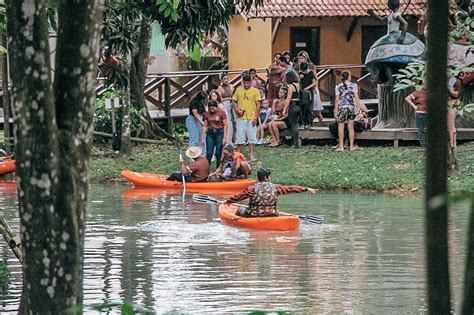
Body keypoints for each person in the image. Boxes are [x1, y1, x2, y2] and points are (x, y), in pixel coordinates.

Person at [224, 168, 317, 217]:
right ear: (266, 178)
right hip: (272, 213)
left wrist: (228, 201)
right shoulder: (275, 187)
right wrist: (306, 188)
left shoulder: (251, 189)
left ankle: (237, 222)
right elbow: (290, 188)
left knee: (240, 209)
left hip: (255, 214)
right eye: (269, 177)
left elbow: (239, 197)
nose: (270, 179)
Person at [232, 74, 261, 161]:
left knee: (251, 136)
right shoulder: (238, 90)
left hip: (251, 116)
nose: (246, 85)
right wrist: (237, 109)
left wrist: (255, 117)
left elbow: (258, 104)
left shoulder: (255, 91)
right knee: (240, 136)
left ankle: (252, 155)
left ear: (251, 83)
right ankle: (238, 154)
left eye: (248, 83)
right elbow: (233, 100)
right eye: (245, 83)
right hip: (241, 117)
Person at [334, 70, 361, 152]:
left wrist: (336, 111)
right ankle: (351, 146)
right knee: (350, 127)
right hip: (351, 108)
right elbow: (356, 97)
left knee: (341, 127)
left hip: (342, 108)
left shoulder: (338, 87)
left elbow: (336, 100)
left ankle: (341, 146)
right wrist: (358, 107)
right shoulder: (354, 85)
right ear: (348, 77)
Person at [202, 100, 228, 168]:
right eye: (210, 109)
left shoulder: (222, 112)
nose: (212, 110)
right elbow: (205, 126)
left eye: (213, 108)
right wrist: (203, 137)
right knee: (209, 153)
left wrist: (224, 137)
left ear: (216, 107)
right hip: (210, 134)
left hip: (219, 133)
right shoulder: (207, 114)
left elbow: (225, 125)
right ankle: (207, 169)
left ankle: (218, 169)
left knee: (218, 153)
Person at [283, 70, 302, 147]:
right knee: (296, 124)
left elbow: (288, 98)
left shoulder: (291, 87)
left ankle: (295, 142)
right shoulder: (298, 85)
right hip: (299, 106)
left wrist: (285, 108)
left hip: (293, 105)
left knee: (293, 125)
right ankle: (297, 141)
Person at [217, 73, 235, 145]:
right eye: (224, 79)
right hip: (224, 106)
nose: (226, 80)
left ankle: (230, 140)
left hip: (231, 105)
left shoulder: (231, 86)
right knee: (226, 122)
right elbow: (220, 99)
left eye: (227, 79)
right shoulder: (220, 88)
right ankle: (224, 140)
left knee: (231, 122)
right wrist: (228, 98)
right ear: (222, 80)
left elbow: (233, 97)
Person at [299, 62, 317, 128]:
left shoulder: (311, 73)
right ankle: (302, 123)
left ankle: (310, 123)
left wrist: (307, 88)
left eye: (305, 70)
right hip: (302, 92)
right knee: (302, 108)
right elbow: (297, 82)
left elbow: (314, 83)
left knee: (309, 108)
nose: (304, 72)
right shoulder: (300, 73)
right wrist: (300, 78)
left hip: (309, 92)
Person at [447, 76, 462, 149]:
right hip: (449, 102)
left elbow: (456, 94)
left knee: (451, 125)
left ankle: (453, 144)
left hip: (453, 102)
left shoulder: (454, 80)